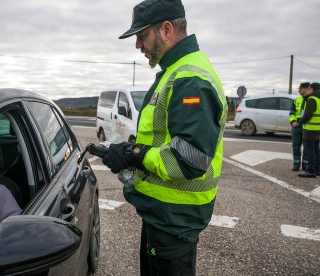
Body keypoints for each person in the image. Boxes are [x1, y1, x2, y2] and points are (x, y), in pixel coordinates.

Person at [102, 0, 227, 275]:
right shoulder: (175, 71)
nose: (138, 45)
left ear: (167, 29)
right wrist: (127, 152)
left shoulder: (189, 79)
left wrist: (133, 154)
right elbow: (162, 139)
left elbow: (189, 159)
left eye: (141, 35)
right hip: (165, 214)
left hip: (175, 218)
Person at [297, 82, 320, 178]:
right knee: (316, 149)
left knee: (309, 150)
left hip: (310, 128)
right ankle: (317, 170)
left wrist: (299, 122)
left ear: (311, 89)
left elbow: (307, 115)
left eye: (310, 88)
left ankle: (311, 171)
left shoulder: (312, 99)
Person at [289, 82, 309, 171]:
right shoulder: (296, 100)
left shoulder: (311, 100)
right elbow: (292, 112)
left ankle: (306, 164)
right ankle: (296, 164)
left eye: (300, 89)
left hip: (307, 126)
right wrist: (293, 121)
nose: (299, 91)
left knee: (307, 147)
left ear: (305, 89)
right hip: (296, 127)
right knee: (296, 146)